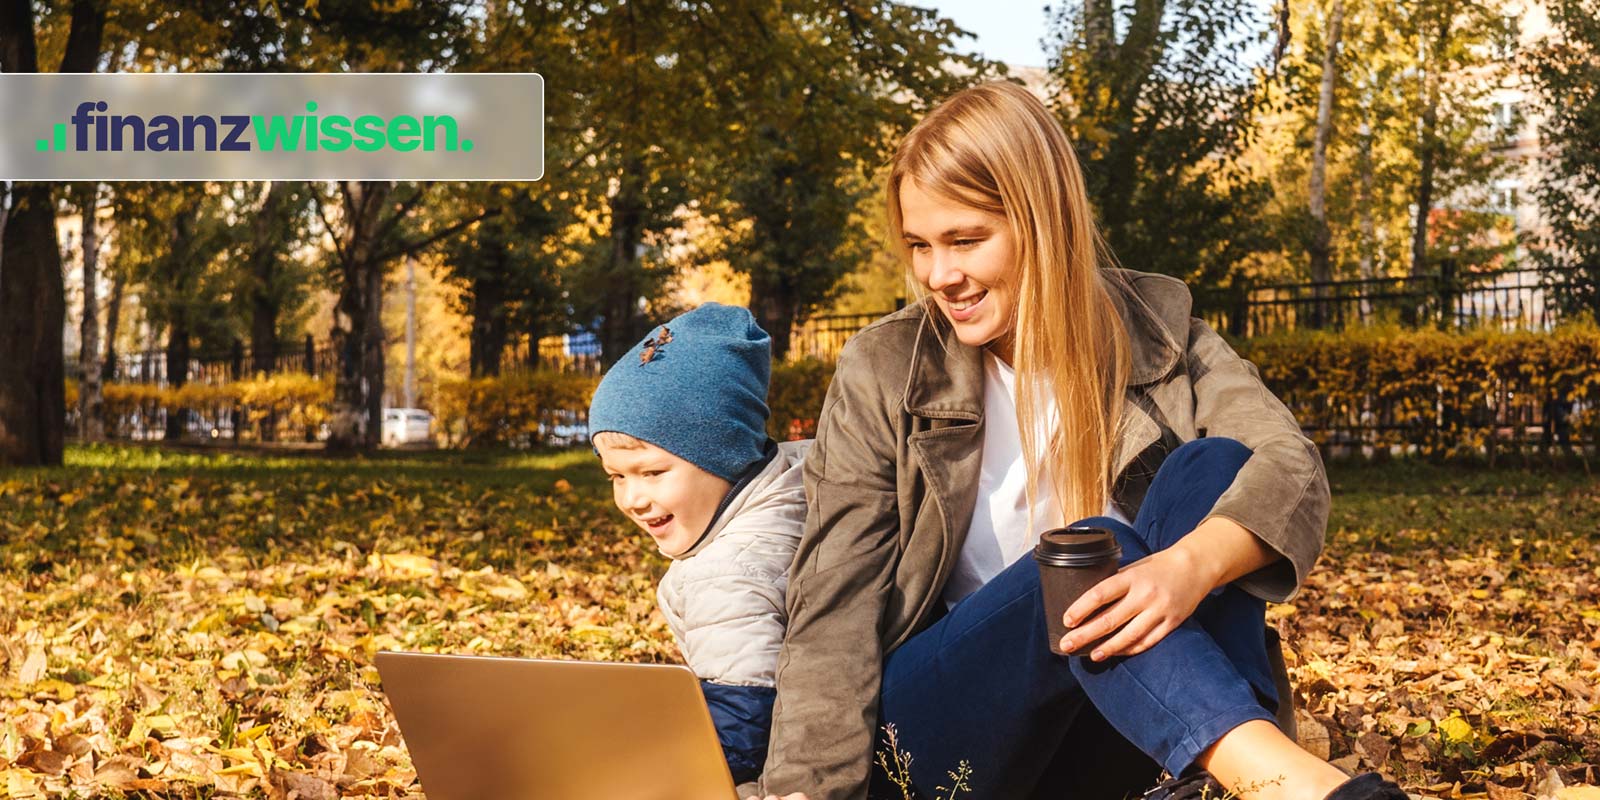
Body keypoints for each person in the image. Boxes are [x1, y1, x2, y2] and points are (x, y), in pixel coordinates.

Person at [748, 82, 1408, 800]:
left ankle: (1216, 777)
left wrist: (1186, 568)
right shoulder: (885, 370)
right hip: (944, 735)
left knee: (1214, 466)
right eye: (920, 246)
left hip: (1118, 737)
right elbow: (834, 605)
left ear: (1043, 220)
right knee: (1078, 553)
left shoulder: (1161, 336)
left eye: (966, 240)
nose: (940, 275)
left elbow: (1292, 466)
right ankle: (1283, 783)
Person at [586, 303, 811, 788]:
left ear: (724, 454)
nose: (632, 499)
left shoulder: (726, 569)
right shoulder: (794, 484)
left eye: (653, 473)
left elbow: (744, 723)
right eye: (616, 477)